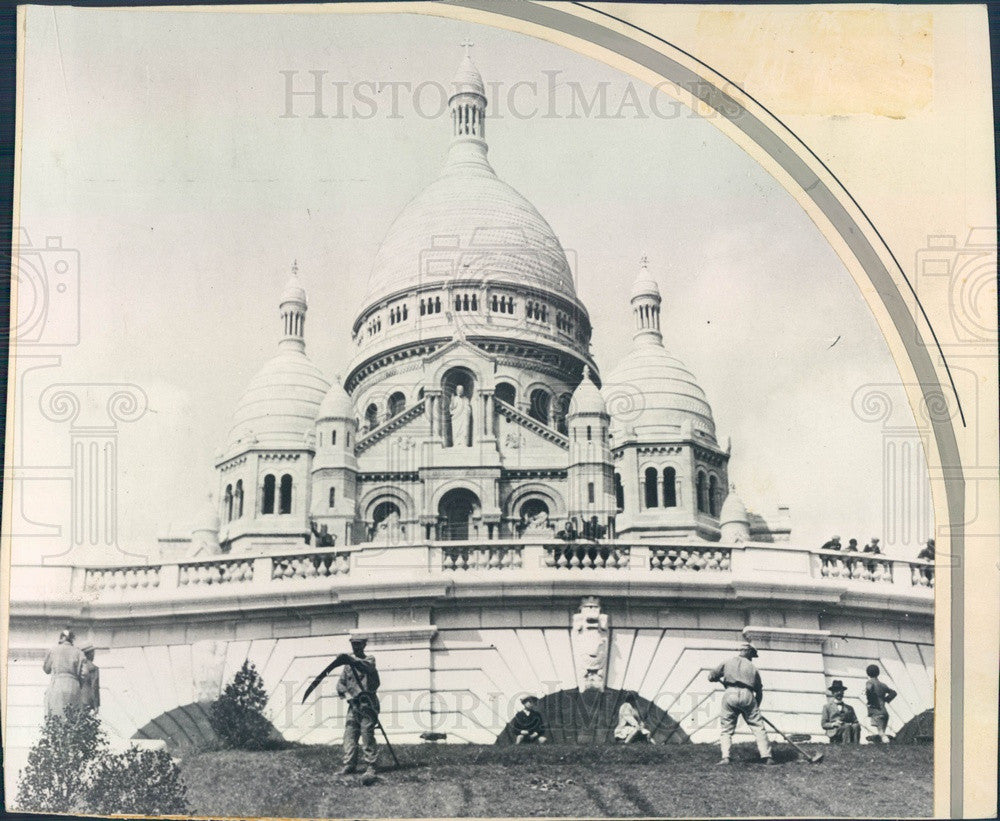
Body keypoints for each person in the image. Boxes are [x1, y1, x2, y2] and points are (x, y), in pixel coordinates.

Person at [707, 641, 775, 765]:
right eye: (752, 656)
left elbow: (711, 676)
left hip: (730, 694)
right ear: (748, 653)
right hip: (748, 695)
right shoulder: (753, 668)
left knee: (726, 729)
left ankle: (725, 757)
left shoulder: (727, 662)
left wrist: (715, 677)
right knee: (758, 728)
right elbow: (759, 692)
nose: (751, 659)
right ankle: (767, 756)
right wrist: (755, 708)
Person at [336, 637, 381, 783]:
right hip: (353, 705)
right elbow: (340, 684)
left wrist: (350, 659)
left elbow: (367, 668)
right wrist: (348, 695)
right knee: (349, 734)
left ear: (364, 645)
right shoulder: (347, 667)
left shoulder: (369, 659)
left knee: (367, 734)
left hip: (367, 704)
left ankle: (371, 766)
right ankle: (349, 764)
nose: (356, 647)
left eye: (358, 644)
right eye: (353, 645)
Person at [42, 629, 84, 718]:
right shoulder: (79, 652)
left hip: (58, 685)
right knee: (73, 718)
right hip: (73, 686)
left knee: (57, 715)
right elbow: (84, 673)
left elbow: (46, 669)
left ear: (63, 638)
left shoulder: (54, 650)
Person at [864, 664, 897, 743]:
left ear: (867, 673)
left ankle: (887, 742)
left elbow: (869, 688)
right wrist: (886, 699)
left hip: (876, 711)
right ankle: (883, 746)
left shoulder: (869, 682)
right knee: (882, 731)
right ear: (878, 673)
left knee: (881, 733)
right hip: (884, 712)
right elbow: (894, 693)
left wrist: (871, 698)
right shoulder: (883, 685)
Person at [78, 644, 100, 712]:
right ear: (89, 654)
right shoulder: (93, 668)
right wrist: (96, 705)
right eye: (93, 653)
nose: (94, 655)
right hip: (87, 699)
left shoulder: (78, 667)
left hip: (76, 699)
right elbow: (94, 686)